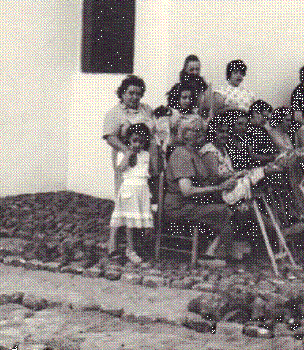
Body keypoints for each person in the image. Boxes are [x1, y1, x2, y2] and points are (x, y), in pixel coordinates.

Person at [163, 115, 239, 263]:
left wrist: (232, 177)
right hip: (179, 207)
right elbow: (187, 191)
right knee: (224, 210)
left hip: (193, 204)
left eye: (202, 131)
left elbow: (206, 180)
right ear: (184, 134)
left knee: (236, 205)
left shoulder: (195, 153)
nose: (201, 134)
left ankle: (214, 250)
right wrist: (219, 187)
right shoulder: (181, 154)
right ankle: (216, 254)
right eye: (196, 131)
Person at [108, 124, 156, 264]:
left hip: (142, 190)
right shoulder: (124, 153)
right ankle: (130, 249)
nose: (137, 144)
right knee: (130, 222)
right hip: (129, 189)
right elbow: (120, 169)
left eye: (141, 142)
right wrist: (128, 154)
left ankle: (137, 247)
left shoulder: (146, 154)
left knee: (139, 221)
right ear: (128, 139)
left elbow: (150, 171)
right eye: (134, 140)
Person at [102, 75, 155, 194]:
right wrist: (127, 151)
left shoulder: (146, 109)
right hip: (127, 155)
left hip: (148, 156)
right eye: (131, 93)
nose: (135, 97)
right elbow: (110, 137)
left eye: (138, 94)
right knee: (127, 189)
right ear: (122, 93)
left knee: (147, 190)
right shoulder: (115, 112)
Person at [157, 83, 200, 157]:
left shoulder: (196, 117)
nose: (187, 101)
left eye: (190, 98)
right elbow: (161, 135)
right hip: (172, 151)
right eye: (184, 97)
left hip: (189, 152)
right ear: (177, 98)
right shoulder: (170, 113)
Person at [246, 100, 278, 165]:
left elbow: (271, 149)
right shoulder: (246, 129)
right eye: (264, 117)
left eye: (267, 119)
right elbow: (249, 155)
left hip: (268, 165)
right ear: (254, 113)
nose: (265, 121)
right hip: (255, 166)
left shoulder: (262, 130)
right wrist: (270, 158)